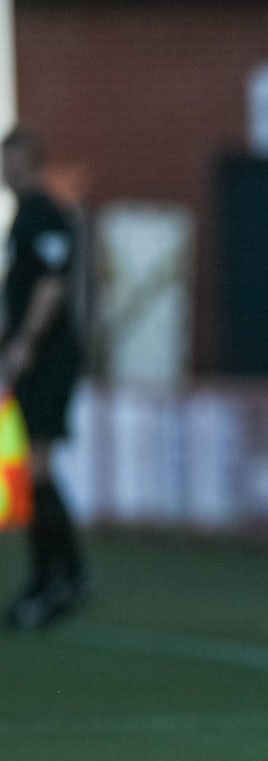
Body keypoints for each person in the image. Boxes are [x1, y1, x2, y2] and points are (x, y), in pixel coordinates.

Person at [0, 128, 90, 629]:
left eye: (10, 163)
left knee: (34, 470)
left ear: (31, 162)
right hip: (33, 358)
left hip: (48, 359)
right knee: (36, 471)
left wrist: (25, 342)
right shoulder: (23, 219)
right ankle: (70, 573)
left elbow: (52, 286)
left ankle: (48, 581)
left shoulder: (43, 213)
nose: (4, 172)